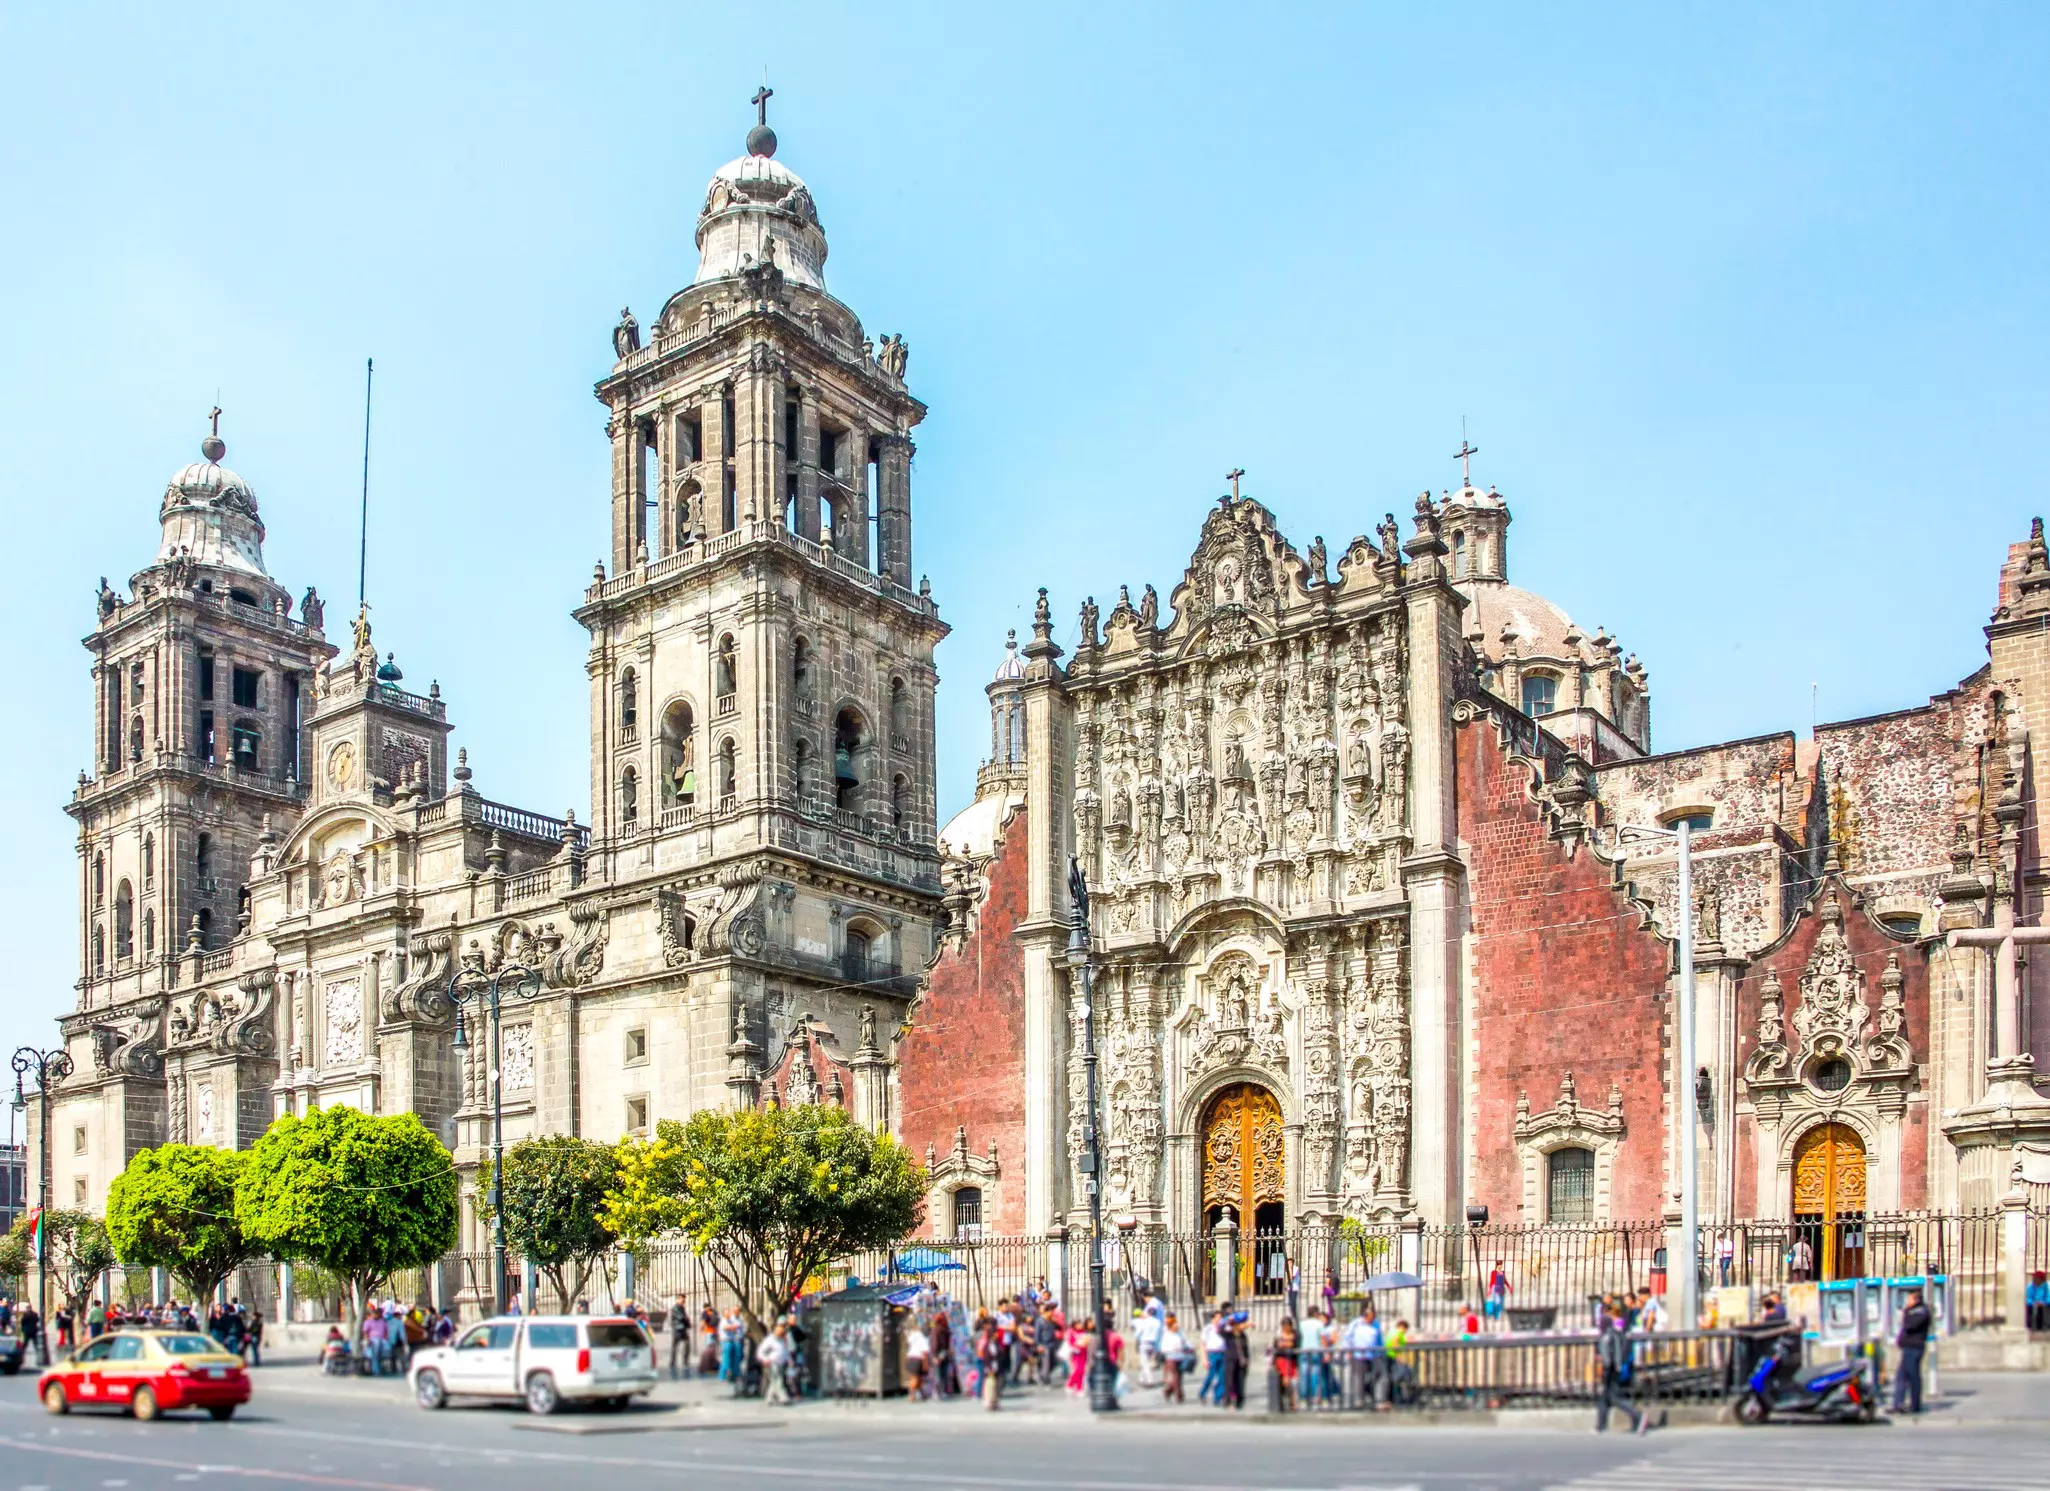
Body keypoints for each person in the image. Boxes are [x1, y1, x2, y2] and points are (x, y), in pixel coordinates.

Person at [1595, 1298, 1649, 1435]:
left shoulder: (1607, 1335)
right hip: (1615, 1367)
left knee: (1612, 1397)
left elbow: (1609, 1355)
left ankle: (1637, 1415)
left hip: (1611, 1369)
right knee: (1605, 1397)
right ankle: (1600, 1425)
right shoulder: (1614, 1332)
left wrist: (1606, 1367)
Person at [1892, 1288, 1933, 1416]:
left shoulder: (1922, 1312)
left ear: (1916, 1299)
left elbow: (1909, 1325)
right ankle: (1898, 1403)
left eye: (1909, 1299)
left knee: (1913, 1377)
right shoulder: (1911, 1311)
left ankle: (1915, 1405)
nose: (1907, 1302)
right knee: (1901, 1376)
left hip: (1914, 1348)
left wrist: (1906, 1312)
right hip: (1907, 1347)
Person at [1342, 1301, 1387, 1408]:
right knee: (1359, 1377)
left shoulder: (1376, 1323)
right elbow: (1347, 1337)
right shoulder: (1356, 1323)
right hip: (1358, 1354)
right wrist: (1348, 1350)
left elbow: (1379, 1338)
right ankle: (1359, 1399)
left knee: (1376, 1376)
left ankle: (1376, 1398)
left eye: (1373, 1317)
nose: (1372, 1320)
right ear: (1365, 1317)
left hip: (1373, 1354)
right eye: (1370, 1318)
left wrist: (1382, 1351)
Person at [757, 1320, 793, 1405]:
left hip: (781, 1363)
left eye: (782, 1331)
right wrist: (765, 1359)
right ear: (775, 1331)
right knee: (778, 1380)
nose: (781, 1332)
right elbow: (760, 1351)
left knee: (774, 1381)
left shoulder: (782, 1340)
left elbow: (785, 1351)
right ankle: (783, 1398)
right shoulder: (770, 1340)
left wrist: (789, 1360)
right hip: (772, 1362)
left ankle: (769, 1398)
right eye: (779, 1331)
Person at [1158, 1312, 1191, 1404]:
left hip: (1181, 1356)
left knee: (1179, 1377)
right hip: (1171, 1357)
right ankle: (1179, 1395)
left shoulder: (1180, 1333)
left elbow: (1186, 1342)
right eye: (1175, 1325)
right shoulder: (1166, 1333)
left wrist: (1190, 1348)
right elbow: (1163, 1347)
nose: (1177, 1326)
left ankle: (1168, 1391)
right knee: (1175, 1375)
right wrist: (1172, 1349)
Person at [1222, 1311, 1251, 1410]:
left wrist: (1247, 1359)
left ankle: (1240, 1401)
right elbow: (1221, 1330)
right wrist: (1229, 1321)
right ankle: (1228, 1401)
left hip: (1241, 1361)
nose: (1242, 1326)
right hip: (1230, 1360)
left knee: (1240, 1381)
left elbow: (1246, 1349)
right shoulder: (1229, 1334)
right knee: (1230, 1381)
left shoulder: (1242, 1335)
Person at [1271, 1317, 1301, 1412]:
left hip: (1292, 1361)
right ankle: (1286, 1402)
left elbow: (1294, 1344)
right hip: (1282, 1360)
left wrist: (1285, 1343)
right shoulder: (1278, 1334)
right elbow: (1276, 1346)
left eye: (1288, 1326)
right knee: (1285, 1382)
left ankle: (1292, 1402)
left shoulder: (1295, 1334)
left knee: (1293, 1383)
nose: (1287, 1328)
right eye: (1285, 1326)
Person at [1199, 1309, 1227, 1404]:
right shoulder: (1208, 1329)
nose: (1220, 1319)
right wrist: (1204, 1359)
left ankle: (1218, 1397)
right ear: (1213, 1319)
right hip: (1212, 1354)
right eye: (1218, 1317)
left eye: (1221, 1317)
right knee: (1210, 1376)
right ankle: (1203, 1393)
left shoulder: (1225, 1328)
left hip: (1223, 1353)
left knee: (1222, 1377)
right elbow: (1203, 1344)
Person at [905, 1317, 931, 1399]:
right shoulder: (922, 1339)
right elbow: (925, 1352)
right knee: (916, 1378)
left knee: (918, 1378)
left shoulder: (913, 1337)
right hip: (918, 1359)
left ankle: (921, 1393)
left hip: (911, 1358)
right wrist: (925, 1365)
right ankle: (911, 1395)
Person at [1065, 1316, 1092, 1394]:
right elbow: (1070, 1343)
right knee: (1078, 1370)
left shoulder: (1083, 1331)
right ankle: (1071, 1383)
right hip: (1075, 1353)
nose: (1080, 1325)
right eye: (1078, 1324)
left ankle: (1079, 1388)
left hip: (1084, 1352)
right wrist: (1078, 1345)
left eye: (1080, 1323)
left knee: (1082, 1371)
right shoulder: (1071, 1332)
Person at [668, 1293, 692, 1379]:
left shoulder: (682, 1308)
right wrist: (687, 1319)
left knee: (687, 1345)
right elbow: (681, 1317)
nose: (683, 1301)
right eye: (682, 1299)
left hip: (683, 1329)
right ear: (678, 1299)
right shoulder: (675, 1308)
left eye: (684, 1299)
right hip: (677, 1329)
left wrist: (687, 1321)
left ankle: (685, 1362)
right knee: (675, 1347)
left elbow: (684, 1317)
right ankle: (672, 1363)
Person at [1485, 1260, 1511, 1325]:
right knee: (1496, 1301)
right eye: (1499, 1264)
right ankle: (1491, 1313)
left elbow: (1505, 1281)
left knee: (1500, 1303)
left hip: (1501, 1289)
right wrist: (1490, 1290)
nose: (1501, 1265)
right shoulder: (1493, 1272)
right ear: (1497, 1265)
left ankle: (1497, 1316)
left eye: (1501, 1264)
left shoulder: (1502, 1272)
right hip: (1495, 1288)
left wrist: (1509, 1287)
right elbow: (1491, 1281)